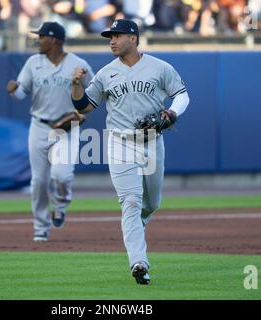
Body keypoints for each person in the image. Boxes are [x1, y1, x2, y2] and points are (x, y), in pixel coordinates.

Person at [71, 19, 190, 285]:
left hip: (150, 141)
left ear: (133, 38)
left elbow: (182, 95)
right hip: (119, 142)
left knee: (151, 203)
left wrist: (171, 112)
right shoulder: (105, 73)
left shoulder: (160, 68)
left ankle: (137, 224)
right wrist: (76, 84)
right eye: (109, 36)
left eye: (117, 35)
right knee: (131, 202)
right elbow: (83, 105)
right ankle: (139, 262)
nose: (112, 40)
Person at [7, 21, 94, 242]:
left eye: (42, 36)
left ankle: (61, 205)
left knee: (61, 175)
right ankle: (40, 227)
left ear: (54, 39)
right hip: (39, 125)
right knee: (39, 181)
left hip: (67, 126)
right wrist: (14, 91)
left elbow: (93, 95)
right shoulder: (33, 62)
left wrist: (83, 114)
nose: (38, 40)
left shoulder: (78, 63)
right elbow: (21, 93)